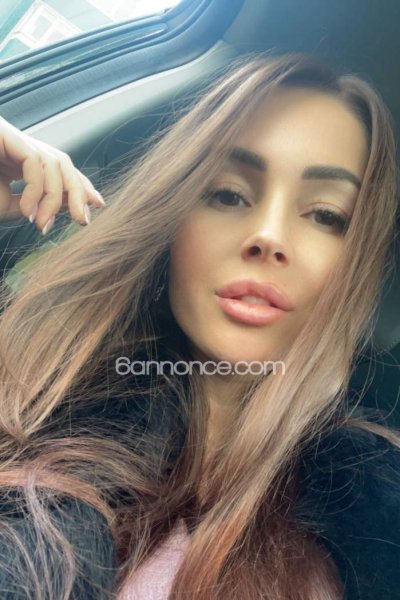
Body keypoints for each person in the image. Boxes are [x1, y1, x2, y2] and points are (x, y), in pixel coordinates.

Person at [0, 52, 399, 600]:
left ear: (358, 264)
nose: (268, 236)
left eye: (327, 215)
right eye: (228, 194)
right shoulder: (32, 397)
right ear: (172, 223)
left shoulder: (379, 514)